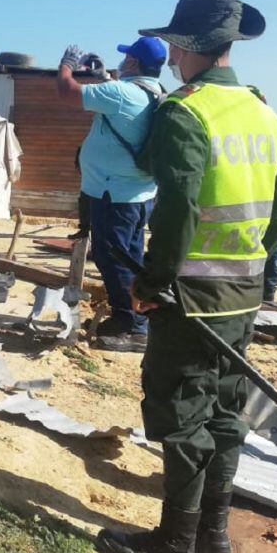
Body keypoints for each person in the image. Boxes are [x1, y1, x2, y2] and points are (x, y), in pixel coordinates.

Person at [94, 0, 277, 553]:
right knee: (226, 410)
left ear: (184, 49)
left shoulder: (188, 112)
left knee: (181, 413)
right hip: (243, 290)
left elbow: (178, 207)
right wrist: (255, 265)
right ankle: (214, 532)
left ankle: (174, 549)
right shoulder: (264, 111)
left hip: (191, 295)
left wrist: (152, 281)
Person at [56, 36, 167, 348]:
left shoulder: (121, 93)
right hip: (137, 194)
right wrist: (103, 76)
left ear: (132, 62)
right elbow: (122, 104)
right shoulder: (154, 92)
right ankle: (136, 316)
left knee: (112, 259)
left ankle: (131, 325)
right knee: (130, 259)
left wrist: (67, 64)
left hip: (113, 194)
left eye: (127, 57)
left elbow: (67, 92)